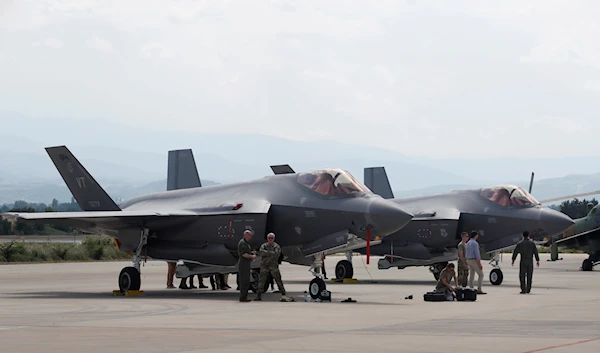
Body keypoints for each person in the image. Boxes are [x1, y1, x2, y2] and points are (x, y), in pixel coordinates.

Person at [255, 233, 286, 300]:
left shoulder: (276, 246)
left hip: (273, 266)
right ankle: (258, 295)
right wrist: (271, 252)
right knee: (261, 281)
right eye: (269, 238)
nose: (270, 239)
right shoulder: (264, 245)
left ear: (273, 239)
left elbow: (277, 254)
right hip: (264, 266)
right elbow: (261, 252)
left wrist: (267, 253)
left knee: (278, 280)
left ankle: (283, 293)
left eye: (271, 238)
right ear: (267, 238)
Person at [237, 230, 256, 302]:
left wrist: (252, 253)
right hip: (243, 264)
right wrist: (252, 256)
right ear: (246, 235)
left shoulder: (246, 243)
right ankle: (243, 297)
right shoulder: (242, 243)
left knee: (246, 281)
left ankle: (244, 296)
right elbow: (244, 254)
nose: (250, 237)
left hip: (246, 264)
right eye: (249, 235)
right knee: (244, 281)